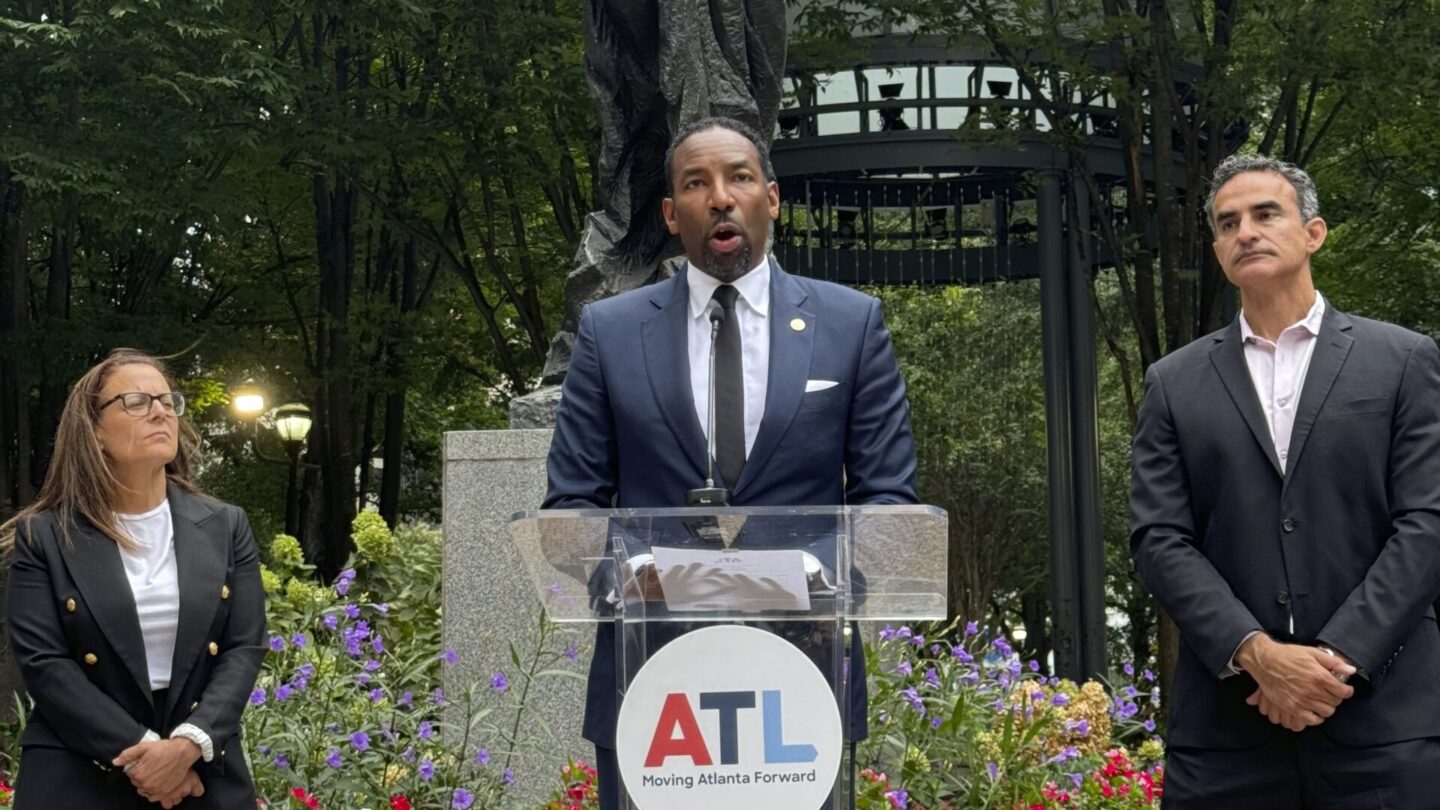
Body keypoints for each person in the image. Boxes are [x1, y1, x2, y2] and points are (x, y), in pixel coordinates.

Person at [543, 116, 919, 809]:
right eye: (697, 183)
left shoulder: (850, 325)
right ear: (670, 213)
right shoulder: (610, 333)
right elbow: (571, 505)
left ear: (771, 199)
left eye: (740, 177)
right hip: (651, 679)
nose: (721, 197)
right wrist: (630, 578)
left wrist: (816, 577)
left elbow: (889, 501)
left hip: (803, 679)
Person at [1130, 154, 1440, 808]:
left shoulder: (1403, 361)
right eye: (1228, 222)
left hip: (1383, 730)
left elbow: (1426, 524)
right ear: (1217, 251)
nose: (1246, 231)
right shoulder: (1172, 383)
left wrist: (1333, 661)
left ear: (1313, 233)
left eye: (1265, 214)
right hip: (1226, 740)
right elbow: (1159, 539)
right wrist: (1258, 656)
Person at [3, 348, 266, 809]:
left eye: (167, 401)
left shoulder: (226, 526)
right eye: (138, 402)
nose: (161, 411)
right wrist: (147, 755)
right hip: (79, 767)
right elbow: (45, 663)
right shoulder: (44, 536)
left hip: (201, 767)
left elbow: (244, 647)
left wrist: (185, 747)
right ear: (95, 431)